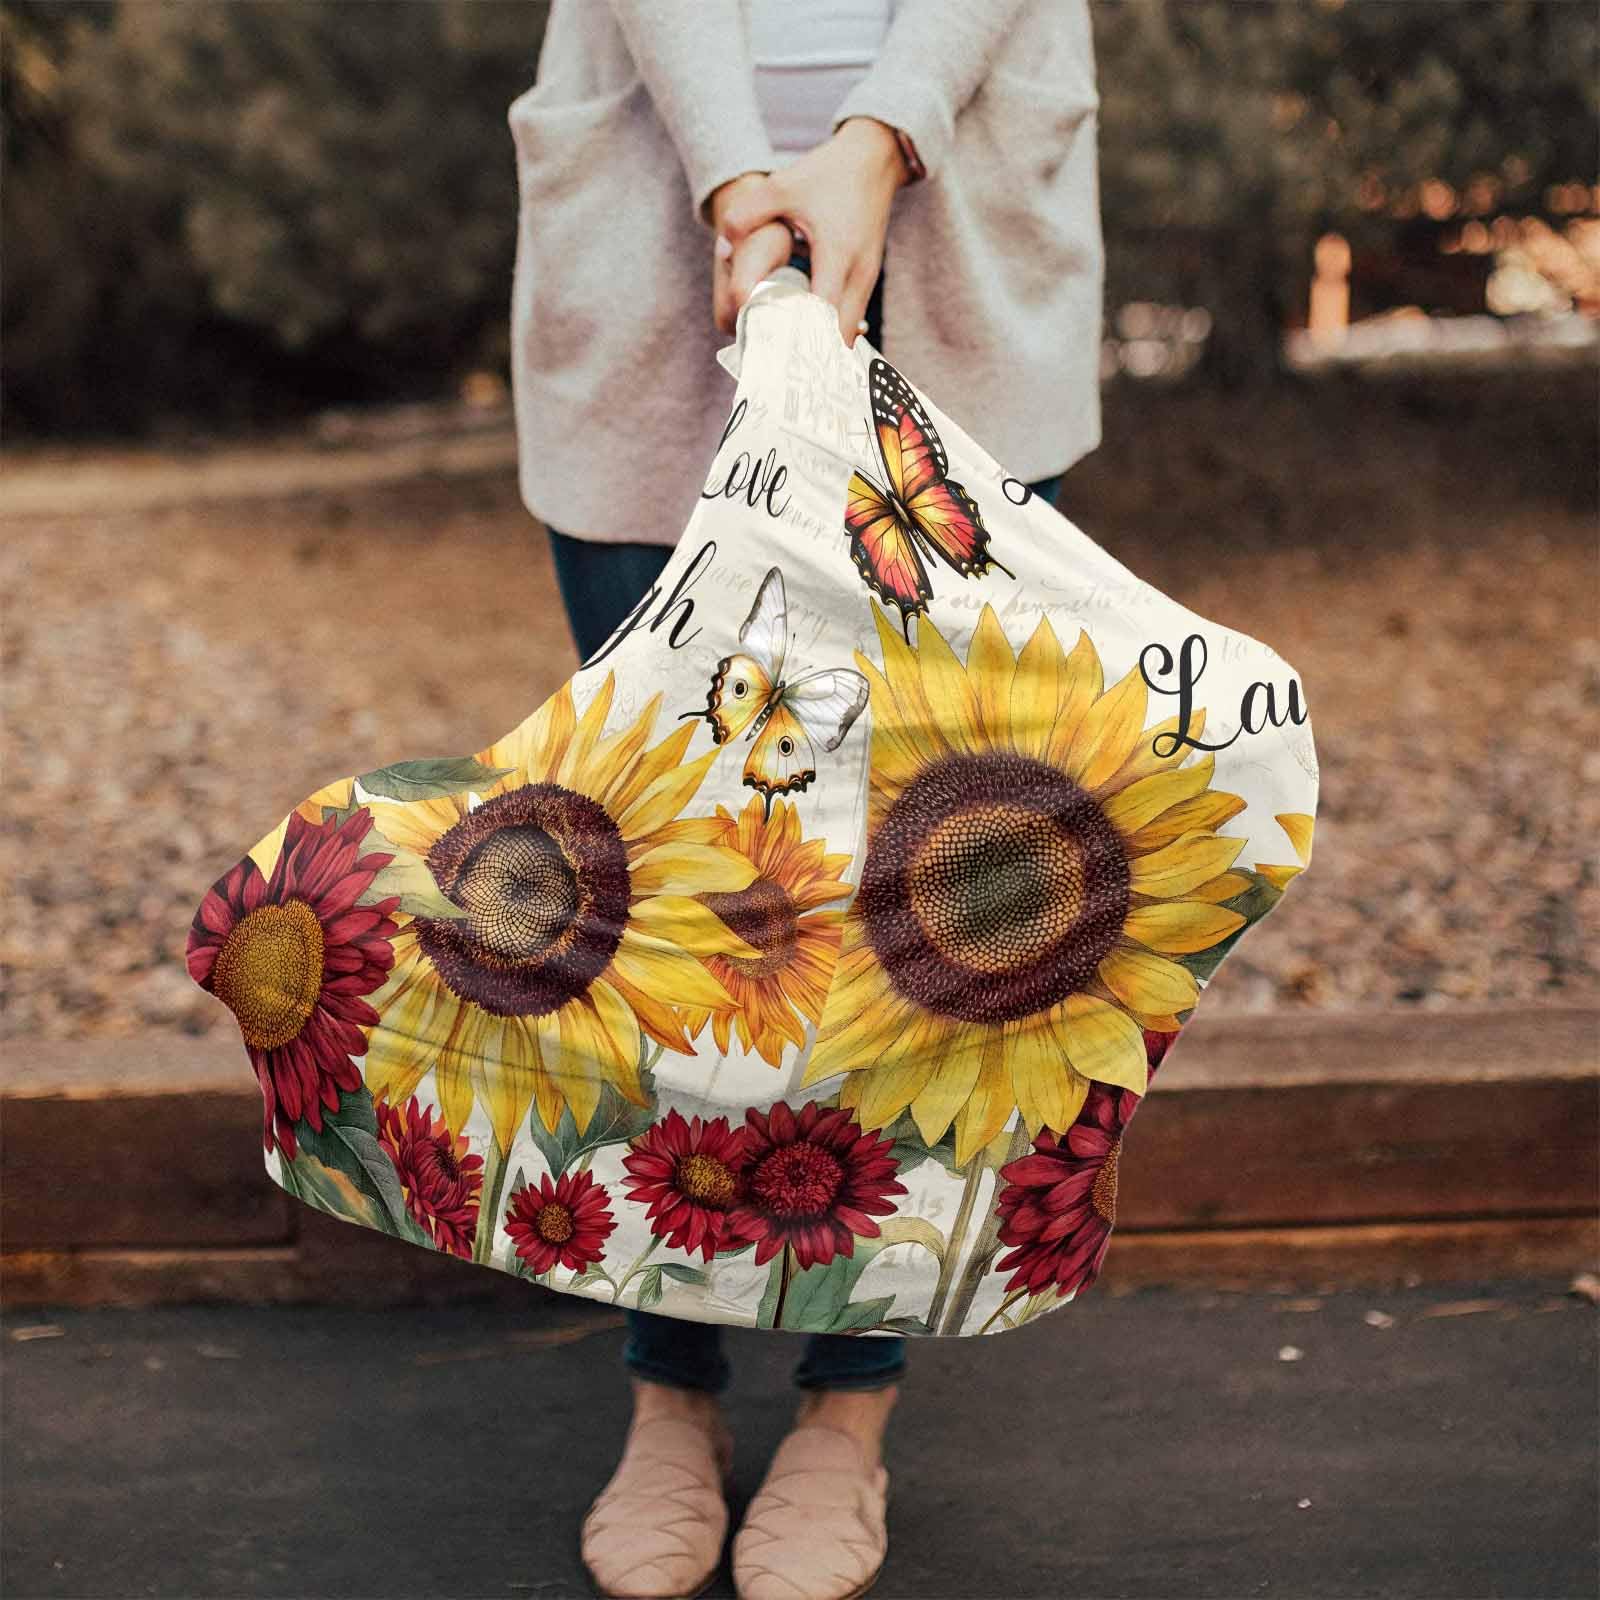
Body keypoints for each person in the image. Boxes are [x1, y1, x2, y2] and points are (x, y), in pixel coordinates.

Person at [506, 4, 1103, 1596]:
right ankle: (670, 1390)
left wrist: (878, 136)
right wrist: (734, 177)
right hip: (658, 215)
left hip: (959, 218)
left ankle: (849, 1410)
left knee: (924, 881)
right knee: (677, 875)